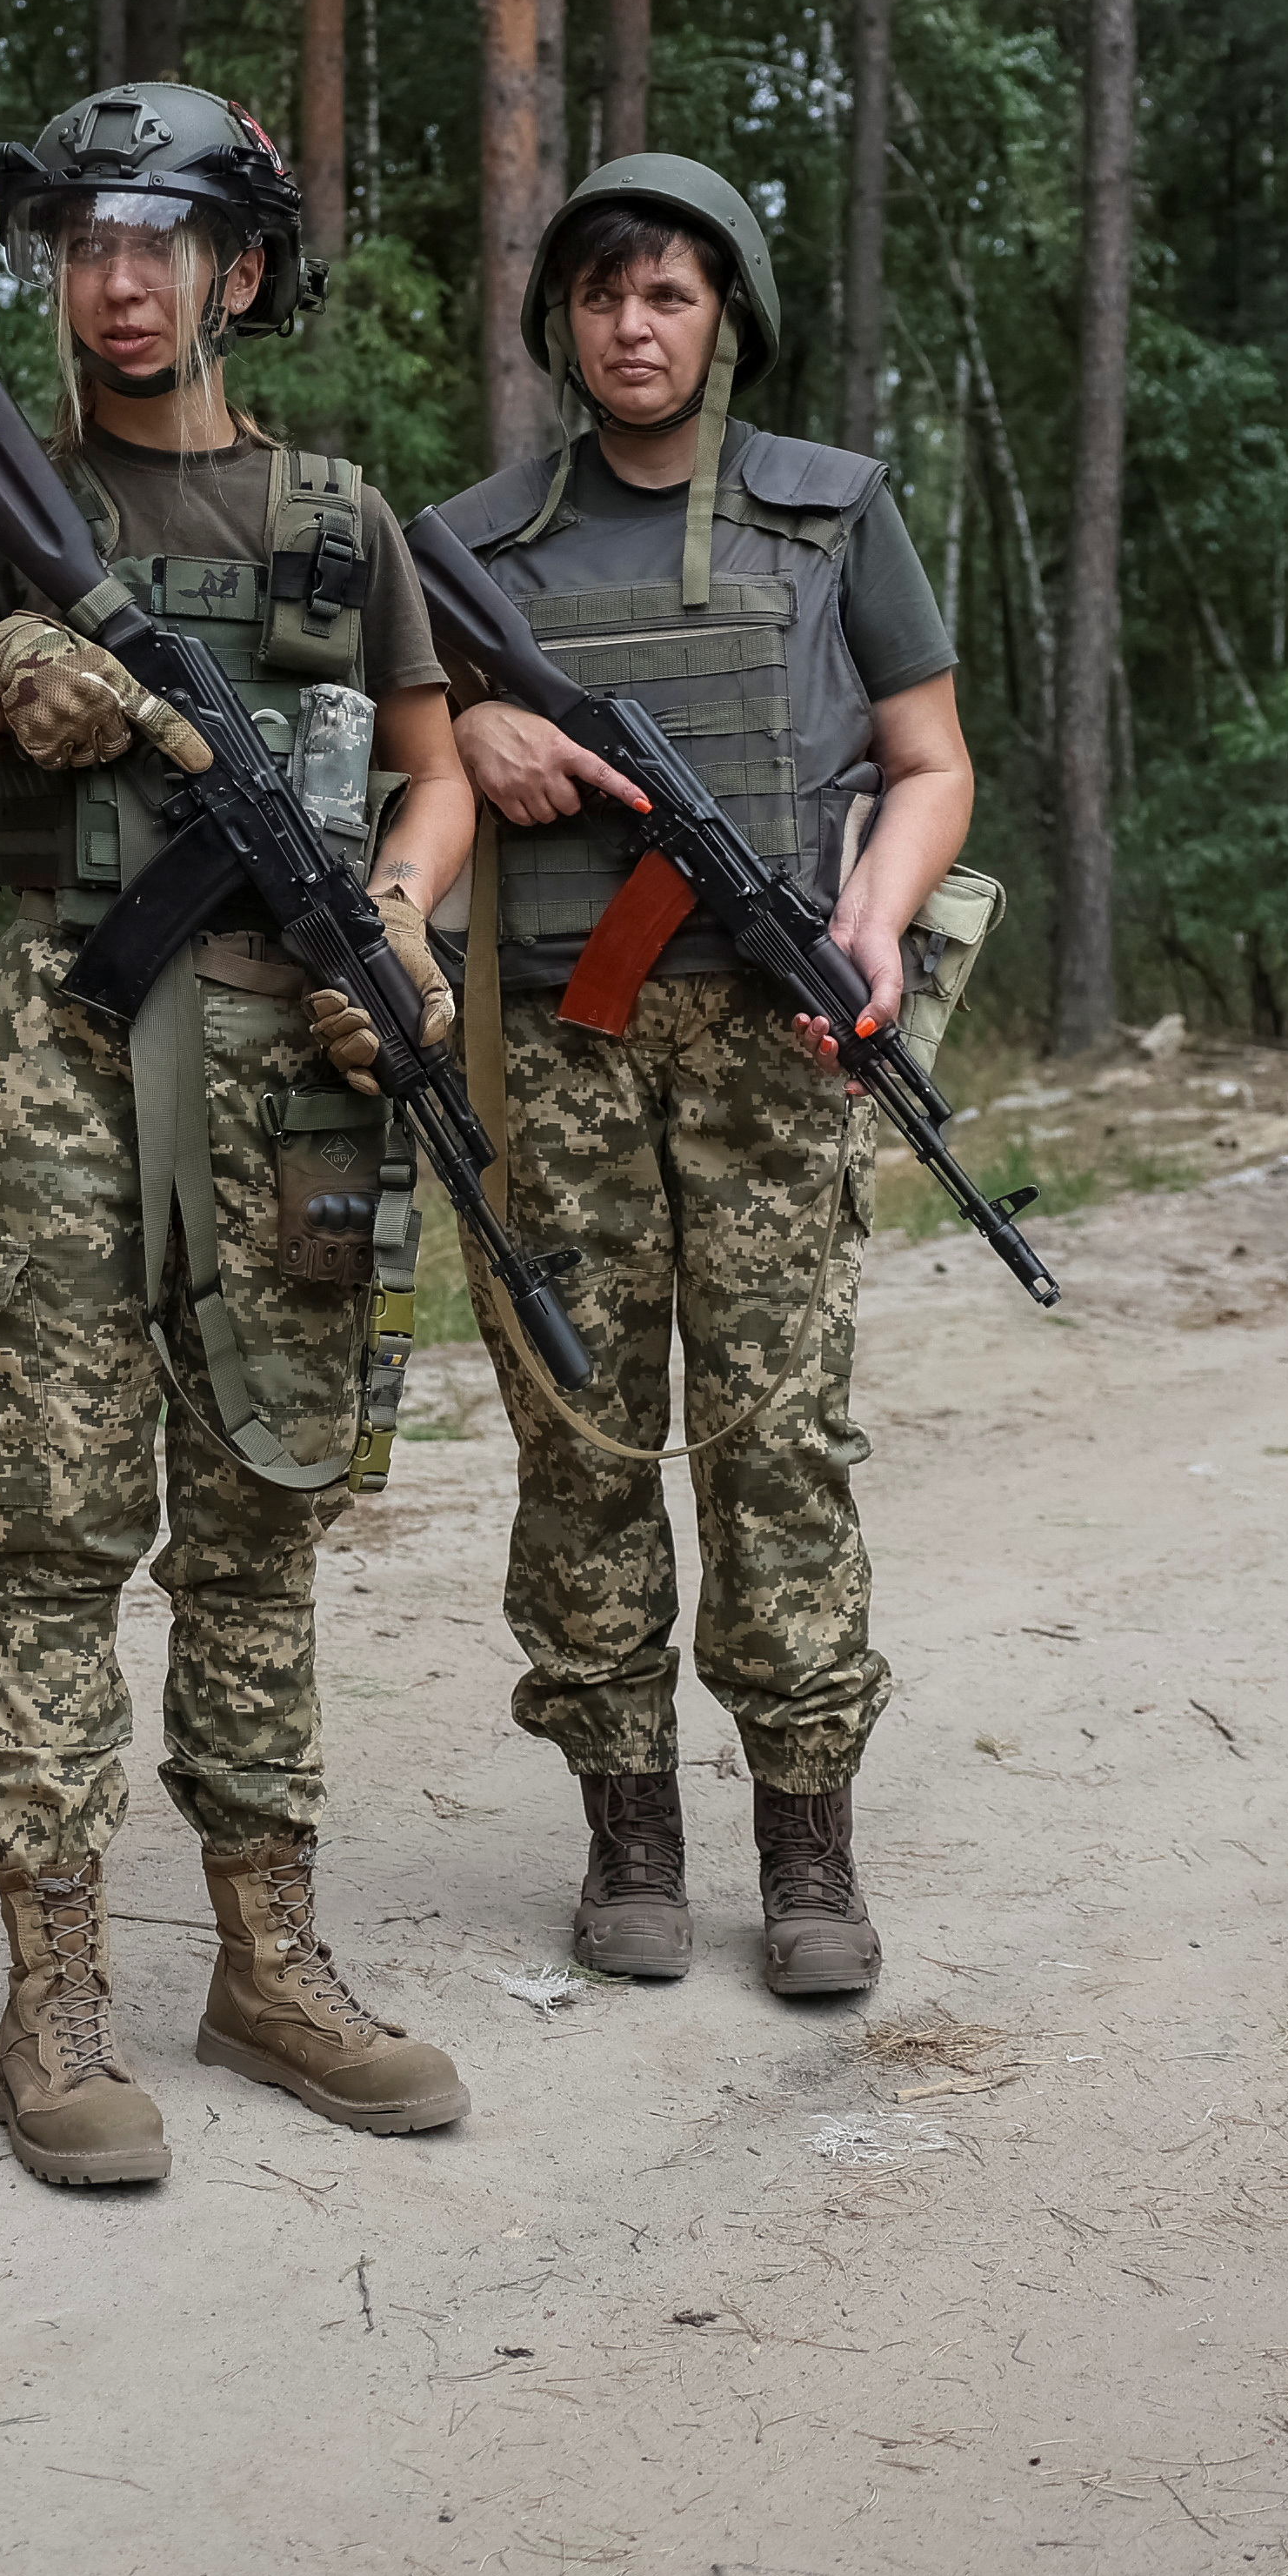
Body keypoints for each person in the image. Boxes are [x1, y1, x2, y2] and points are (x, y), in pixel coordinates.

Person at [0, 82, 478, 2190]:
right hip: (62, 1050)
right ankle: (53, 1999)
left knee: (266, 1511)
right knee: (53, 1525)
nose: (116, 278)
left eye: (160, 238)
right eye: (83, 242)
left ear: (240, 268)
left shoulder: (335, 515)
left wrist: (399, 917)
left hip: (290, 1054)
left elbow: (437, 769)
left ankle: (268, 1958)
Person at [426, 156, 975, 1999]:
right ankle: (627, 1823)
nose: (633, 327)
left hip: (766, 1033)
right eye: (600, 297)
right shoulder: (473, 548)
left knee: (780, 1437)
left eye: (668, 294)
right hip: (554, 1041)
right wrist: (474, 720)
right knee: (581, 1433)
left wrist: (877, 921)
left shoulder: (829, 519)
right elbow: (387, 767)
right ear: (557, 323)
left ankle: (806, 1836)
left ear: (726, 311)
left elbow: (930, 758)